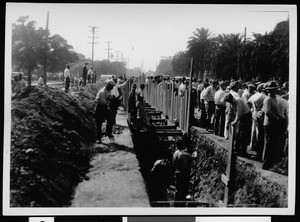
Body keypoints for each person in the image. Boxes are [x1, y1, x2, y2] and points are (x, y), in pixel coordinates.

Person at [262, 81, 284, 171]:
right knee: (269, 144)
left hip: (275, 124)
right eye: (272, 90)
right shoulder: (268, 99)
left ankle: (271, 163)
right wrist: (276, 118)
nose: (274, 91)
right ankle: (266, 164)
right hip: (270, 124)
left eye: (274, 89)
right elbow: (267, 112)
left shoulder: (274, 98)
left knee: (273, 144)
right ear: (268, 90)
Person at [173, 139, 197, 207]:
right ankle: (182, 205)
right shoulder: (184, 154)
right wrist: (195, 151)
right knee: (184, 190)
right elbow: (195, 157)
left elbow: (173, 164)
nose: (184, 145)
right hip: (183, 174)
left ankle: (176, 205)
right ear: (181, 145)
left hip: (177, 172)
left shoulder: (175, 153)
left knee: (178, 189)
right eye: (183, 144)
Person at [247, 83, 266, 161]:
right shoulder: (264, 96)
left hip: (254, 113)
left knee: (254, 131)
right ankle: (259, 150)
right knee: (260, 134)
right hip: (260, 115)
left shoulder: (254, 95)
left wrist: (253, 109)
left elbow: (248, 102)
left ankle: (253, 145)